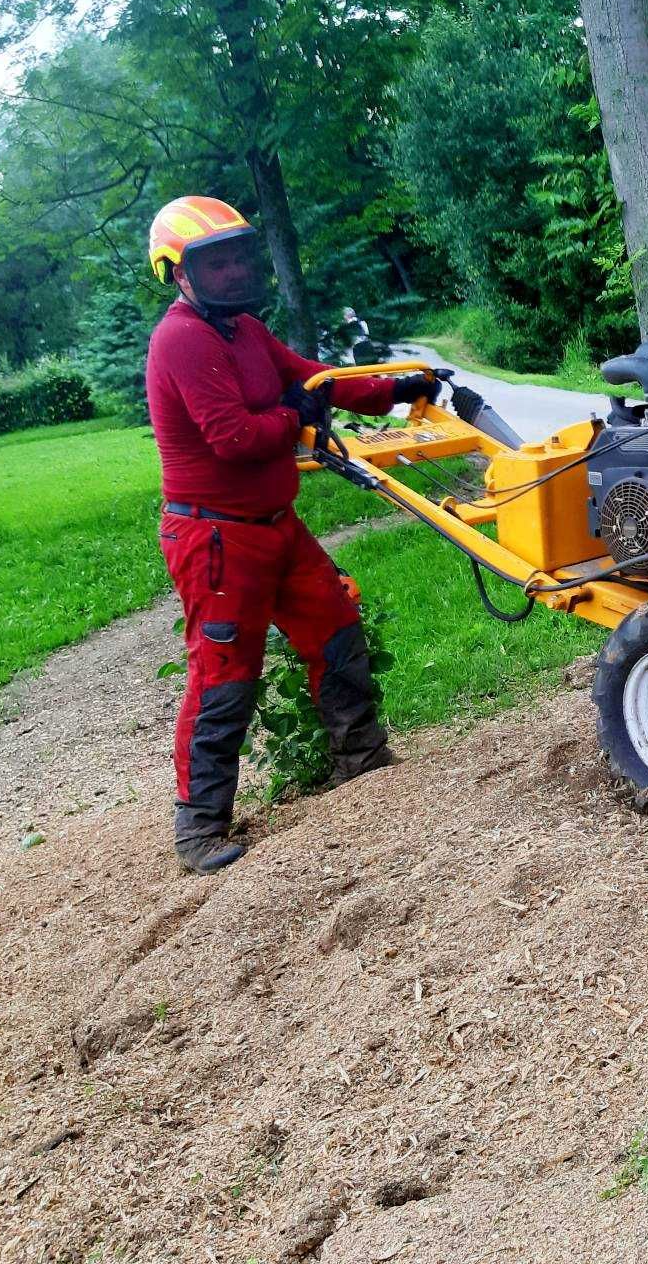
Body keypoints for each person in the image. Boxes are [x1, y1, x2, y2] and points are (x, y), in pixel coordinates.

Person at [144, 196, 439, 874]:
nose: (233, 270)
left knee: (335, 629)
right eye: (214, 262)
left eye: (238, 255)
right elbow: (236, 438)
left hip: (276, 527)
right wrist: (291, 414)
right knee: (224, 676)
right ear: (179, 273)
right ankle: (200, 831)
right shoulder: (182, 339)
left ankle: (362, 764)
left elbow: (314, 380)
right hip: (216, 541)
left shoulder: (243, 328)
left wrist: (395, 389)